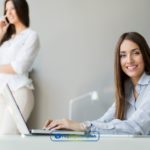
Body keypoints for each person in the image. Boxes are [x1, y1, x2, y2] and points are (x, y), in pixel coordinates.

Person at [44, 32, 150, 135]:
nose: (129, 60)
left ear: (144, 55)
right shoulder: (126, 89)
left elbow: (135, 127)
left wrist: (82, 126)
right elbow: (104, 122)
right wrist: (71, 127)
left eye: (136, 53)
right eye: (123, 55)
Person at [0, 0, 40, 134]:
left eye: (12, 9)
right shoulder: (6, 39)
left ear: (21, 9)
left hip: (19, 92)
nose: (8, 13)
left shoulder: (31, 36)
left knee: (6, 135)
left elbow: (19, 67)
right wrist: (0, 33)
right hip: (2, 92)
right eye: (6, 10)